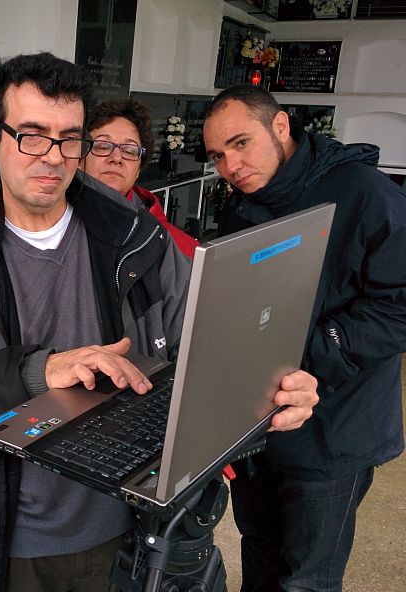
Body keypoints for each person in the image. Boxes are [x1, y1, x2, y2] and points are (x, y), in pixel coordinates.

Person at [0, 53, 320, 592]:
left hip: (125, 532)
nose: (52, 157)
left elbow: (209, 345)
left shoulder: (138, 242)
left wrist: (270, 388)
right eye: (31, 135)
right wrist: (37, 372)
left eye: (70, 138)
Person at [203, 84, 406, 592]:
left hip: (334, 434)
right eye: (217, 155)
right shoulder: (241, 202)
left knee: (308, 579)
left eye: (240, 143)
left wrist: (321, 352)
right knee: (259, 550)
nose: (230, 165)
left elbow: (399, 305)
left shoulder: (365, 193)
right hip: (260, 427)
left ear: (280, 126)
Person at [82, 97, 198, 257]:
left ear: (138, 169)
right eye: (102, 146)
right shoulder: (49, 225)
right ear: (80, 157)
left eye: (129, 150)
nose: (116, 158)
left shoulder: (178, 249)